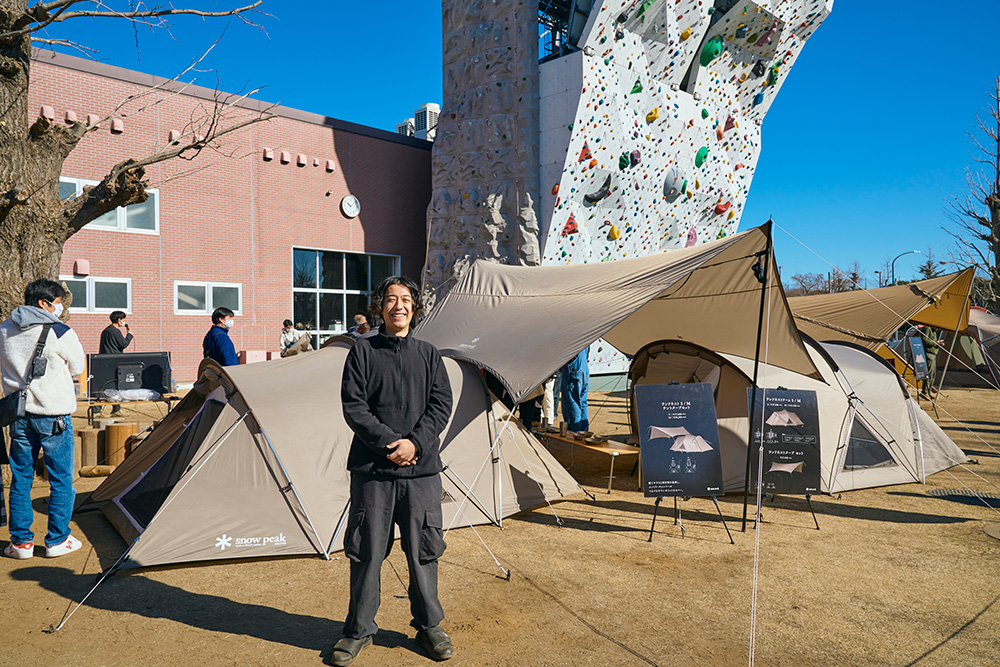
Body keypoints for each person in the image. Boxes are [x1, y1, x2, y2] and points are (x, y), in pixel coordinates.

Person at [334, 276, 455, 666]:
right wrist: (391, 445)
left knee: (423, 552)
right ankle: (358, 629)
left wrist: (414, 444)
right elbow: (354, 406)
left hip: (421, 473)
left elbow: (440, 405)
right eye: (390, 299)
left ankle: (429, 625)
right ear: (380, 308)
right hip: (373, 472)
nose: (398, 305)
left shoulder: (429, 354)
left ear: (414, 309)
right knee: (366, 552)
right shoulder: (362, 352)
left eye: (405, 299)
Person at [1, 279, 86, 559]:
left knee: (21, 478)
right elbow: (78, 366)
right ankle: (57, 540)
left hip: (19, 415)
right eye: (58, 302)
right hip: (54, 415)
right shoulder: (60, 331)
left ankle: (21, 543)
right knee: (61, 479)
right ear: (44, 303)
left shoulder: (4, 329)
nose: (60, 308)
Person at [560, 346, 590, 432]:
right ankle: (583, 431)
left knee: (572, 402)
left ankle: (574, 432)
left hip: (574, 369)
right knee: (582, 401)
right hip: (583, 368)